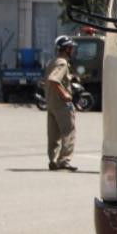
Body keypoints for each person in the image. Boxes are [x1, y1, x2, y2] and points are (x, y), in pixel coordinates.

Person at [44, 36, 78, 171]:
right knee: (68, 131)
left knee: (53, 134)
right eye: (71, 48)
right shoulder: (62, 63)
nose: (73, 50)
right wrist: (64, 93)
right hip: (62, 104)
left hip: (51, 103)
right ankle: (64, 160)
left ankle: (53, 160)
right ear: (67, 49)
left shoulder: (52, 61)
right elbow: (53, 79)